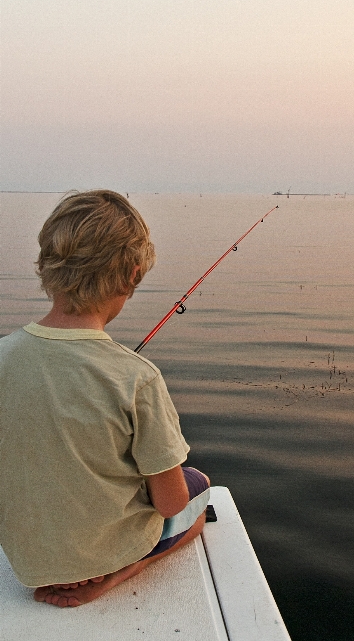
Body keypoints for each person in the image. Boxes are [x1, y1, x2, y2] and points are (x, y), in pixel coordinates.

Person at [0, 190, 210, 608]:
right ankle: (127, 569)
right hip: (104, 555)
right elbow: (171, 503)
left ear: (46, 265)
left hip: (28, 561)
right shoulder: (138, 377)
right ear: (132, 275)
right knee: (199, 493)